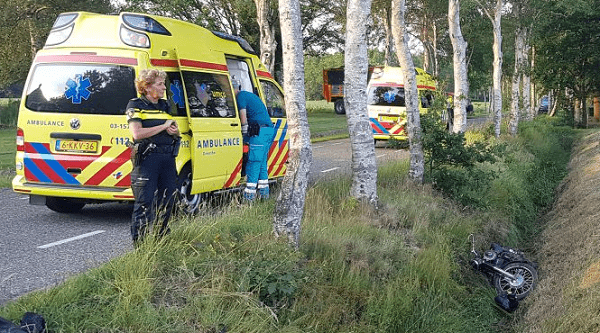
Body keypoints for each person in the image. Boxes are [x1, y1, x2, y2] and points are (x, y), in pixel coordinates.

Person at [126, 69, 180, 246]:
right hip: (148, 159)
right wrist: (164, 126)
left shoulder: (164, 105)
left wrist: (173, 130)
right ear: (147, 87)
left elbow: (171, 128)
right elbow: (137, 133)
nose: (164, 87)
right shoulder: (135, 105)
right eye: (160, 84)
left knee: (168, 201)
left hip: (167, 158)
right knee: (144, 203)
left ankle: (161, 242)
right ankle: (140, 248)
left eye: (164, 84)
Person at [233, 80, 274, 201]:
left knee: (254, 162)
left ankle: (249, 198)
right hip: (268, 130)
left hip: (259, 131)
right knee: (261, 164)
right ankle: (264, 195)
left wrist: (244, 137)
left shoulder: (240, 97)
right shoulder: (249, 95)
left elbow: (243, 118)